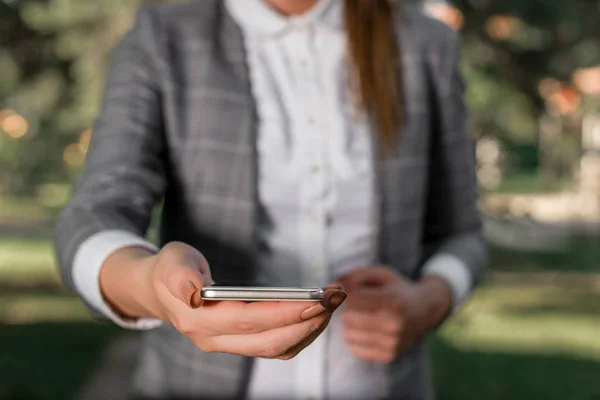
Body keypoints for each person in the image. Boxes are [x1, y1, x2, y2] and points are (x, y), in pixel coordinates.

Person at [54, 0, 488, 398]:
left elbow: (462, 233)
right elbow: (95, 214)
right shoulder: (166, 37)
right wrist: (150, 285)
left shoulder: (426, 43)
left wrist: (430, 301)